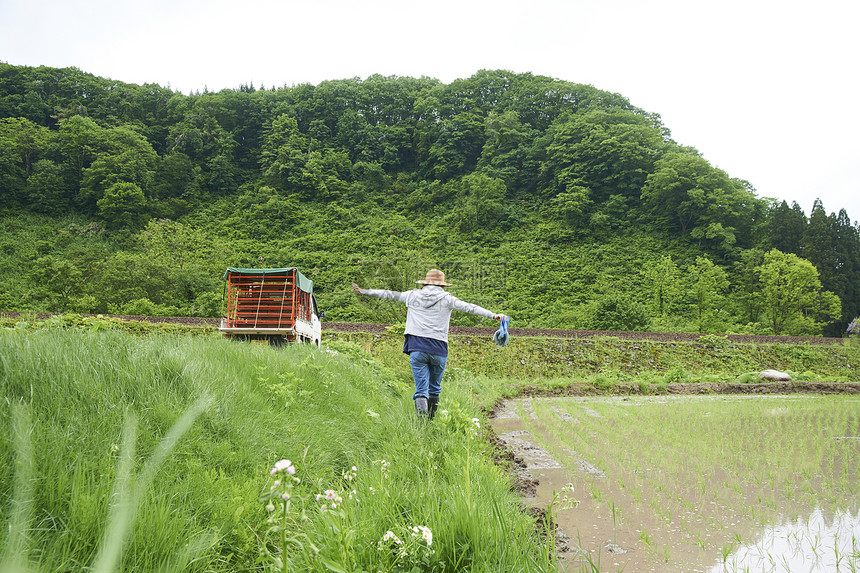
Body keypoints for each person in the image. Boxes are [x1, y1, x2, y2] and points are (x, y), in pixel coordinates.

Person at [353, 269, 506, 419]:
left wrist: (364, 291)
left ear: (425, 284)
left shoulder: (412, 296)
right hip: (438, 348)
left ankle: (422, 424)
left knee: (421, 390)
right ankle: (431, 421)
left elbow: (388, 294)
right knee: (434, 388)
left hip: (417, 347)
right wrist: (493, 315)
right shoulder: (448, 299)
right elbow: (470, 307)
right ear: (442, 285)